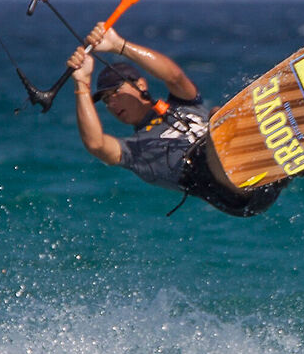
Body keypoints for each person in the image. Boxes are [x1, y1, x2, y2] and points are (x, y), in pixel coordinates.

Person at [65, 23, 289, 217]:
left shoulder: (185, 104)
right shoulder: (133, 151)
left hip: (260, 176)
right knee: (217, 119)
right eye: (105, 101)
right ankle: (267, 150)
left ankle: (292, 152)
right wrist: (82, 84)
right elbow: (96, 144)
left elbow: (174, 77)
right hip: (229, 192)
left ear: (140, 85)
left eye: (115, 93)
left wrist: (118, 45)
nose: (112, 104)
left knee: (224, 114)